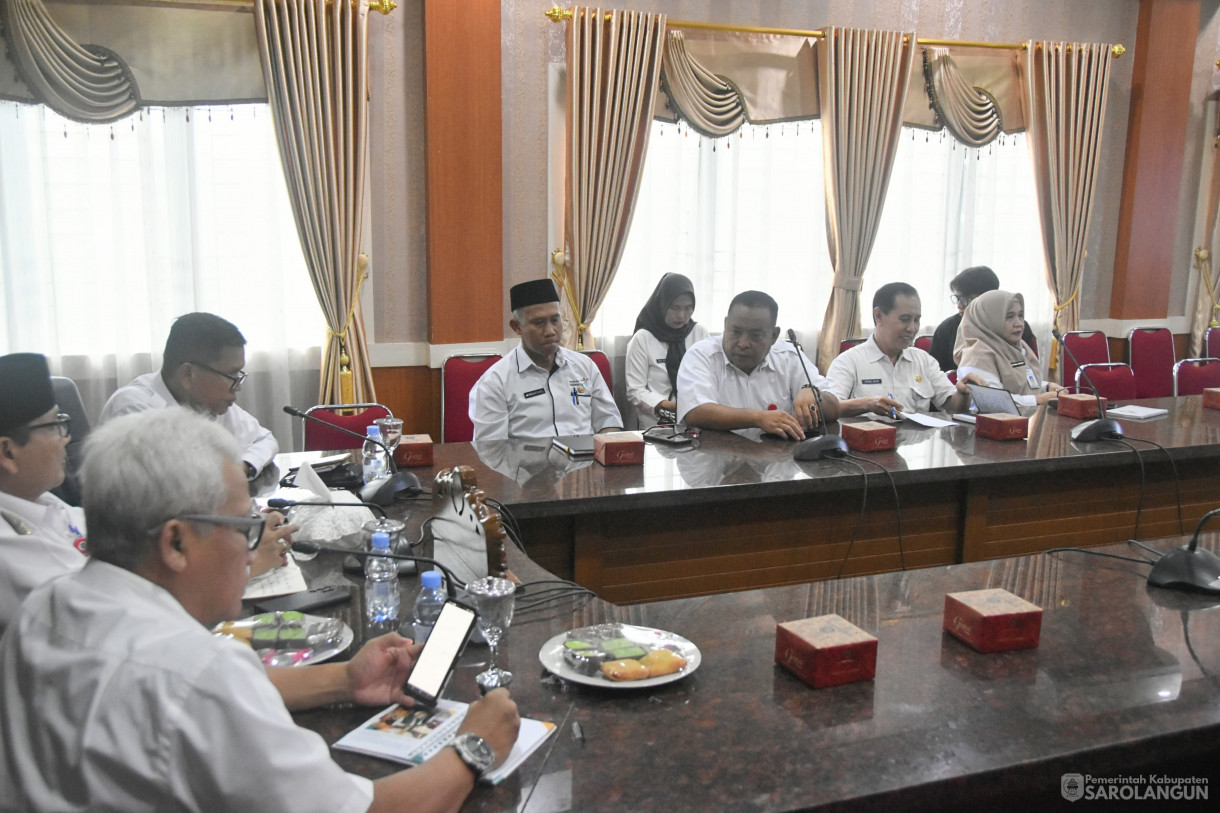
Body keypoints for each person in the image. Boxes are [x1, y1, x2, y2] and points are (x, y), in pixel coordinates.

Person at [0, 408, 521, 812]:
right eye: (242, 528)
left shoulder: (42, 611)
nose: (252, 552)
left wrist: (345, 679)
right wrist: (474, 747)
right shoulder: (199, 672)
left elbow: (177, 704)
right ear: (176, 543)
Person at [100, 312, 278, 479]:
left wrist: (243, 466)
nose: (237, 387)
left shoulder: (208, 402)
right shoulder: (134, 411)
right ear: (188, 374)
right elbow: (179, 481)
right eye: (231, 375)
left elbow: (264, 440)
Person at [469, 279, 622, 440]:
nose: (550, 331)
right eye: (539, 323)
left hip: (586, 462)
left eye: (555, 320)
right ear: (517, 327)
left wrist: (606, 449)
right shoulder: (495, 382)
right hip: (526, 464)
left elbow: (608, 422)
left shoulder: (584, 367)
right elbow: (492, 451)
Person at [0, 353, 88, 631]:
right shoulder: (8, 548)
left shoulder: (39, 498)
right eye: (54, 426)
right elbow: (98, 615)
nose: (66, 438)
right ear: (7, 452)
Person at [676, 290, 839, 439]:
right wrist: (758, 418)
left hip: (775, 461)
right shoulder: (702, 355)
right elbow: (696, 412)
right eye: (736, 332)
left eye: (755, 335)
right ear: (725, 326)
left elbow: (834, 407)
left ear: (774, 336)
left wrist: (814, 394)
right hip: (713, 460)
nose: (743, 343)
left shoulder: (789, 356)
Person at [826, 282, 981, 417]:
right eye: (905, 319)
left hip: (916, 447)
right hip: (866, 446)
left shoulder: (924, 361)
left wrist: (963, 393)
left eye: (917, 320)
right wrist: (867, 404)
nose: (912, 328)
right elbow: (828, 409)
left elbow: (953, 407)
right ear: (878, 316)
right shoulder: (848, 361)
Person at [624, 273, 709, 429]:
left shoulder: (700, 333)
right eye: (675, 308)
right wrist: (670, 409)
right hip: (657, 421)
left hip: (697, 418)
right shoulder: (643, 338)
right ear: (662, 304)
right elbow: (635, 390)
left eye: (688, 308)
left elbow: (709, 378)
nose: (682, 315)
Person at [955, 290, 1067, 406]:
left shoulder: (1018, 346)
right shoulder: (977, 355)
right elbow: (993, 402)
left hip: (1022, 420)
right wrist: (1037, 399)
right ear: (990, 320)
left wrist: (1047, 387)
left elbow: (1022, 381)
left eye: (1020, 315)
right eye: (1009, 317)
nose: (1018, 323)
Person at [929, 265, 1036, 372]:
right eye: (957, 298)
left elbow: (1029, 372)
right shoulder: (947, 329)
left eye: (965, 299)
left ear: (988, 299)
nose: (959, 305)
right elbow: (934, 375)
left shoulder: (1017, 327)